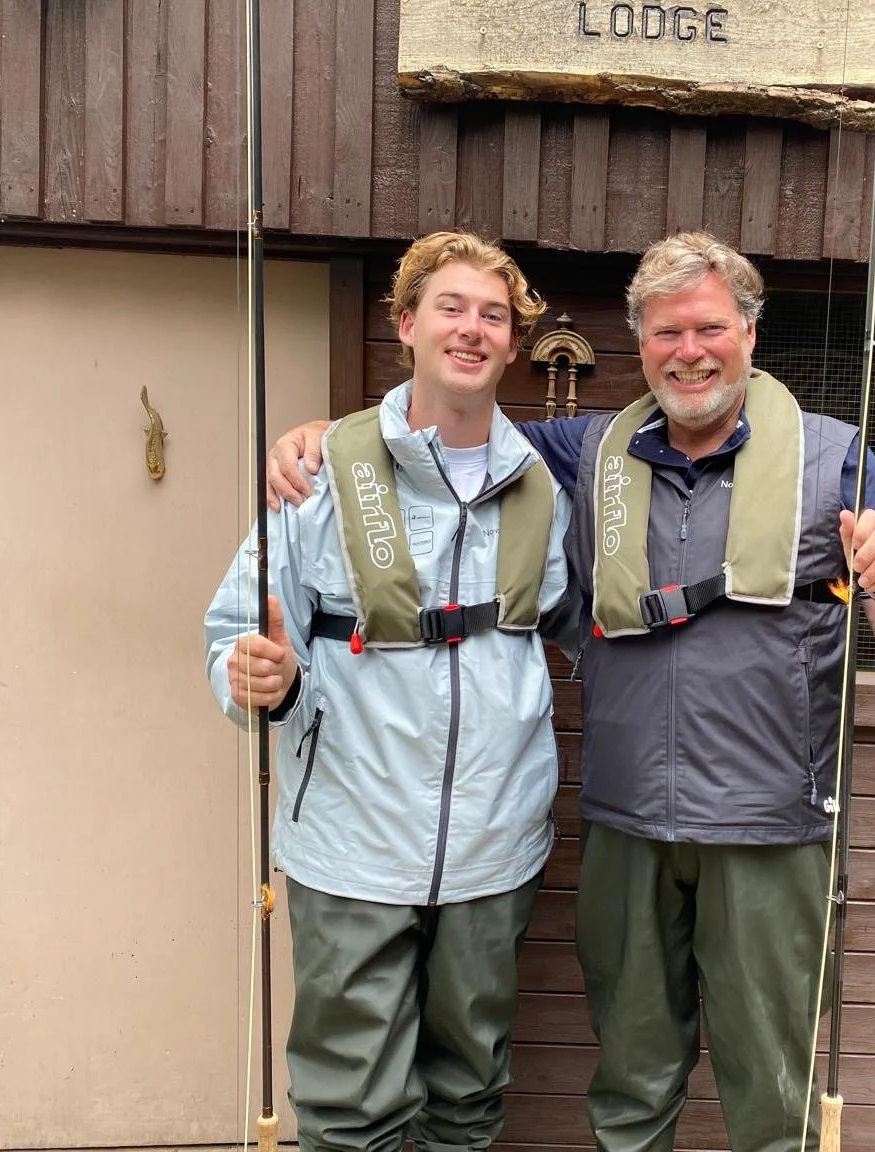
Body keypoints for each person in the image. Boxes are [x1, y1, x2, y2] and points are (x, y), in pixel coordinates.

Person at [266, 232, 875, 1152]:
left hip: (771, 831)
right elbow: (447, 430)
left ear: (750, 333)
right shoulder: (584, 451)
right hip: (628, 828)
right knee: (631, 1085)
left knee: (772, 1095)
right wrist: (327, 435)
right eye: (667, 333)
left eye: (710, 327)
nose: (689, 351)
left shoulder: (833, 459)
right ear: (641, 346)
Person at [204, 231, 576, 1152]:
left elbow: (577, 628)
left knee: (469, 1094)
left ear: (513, 344)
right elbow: (236, 630)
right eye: (451, 307)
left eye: (494, 315)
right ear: (407, 325)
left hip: (495, 850)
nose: (473, 328)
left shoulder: (542, 488)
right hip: (352, 849)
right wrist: (258, 678)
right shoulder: (320, 474)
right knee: (349, 1108)